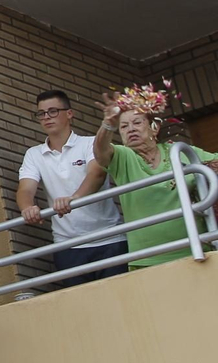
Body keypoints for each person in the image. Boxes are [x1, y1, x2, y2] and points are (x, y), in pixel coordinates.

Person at [91, 91, 218, 269]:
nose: (131, 129)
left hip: (197, 250)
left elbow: (215, 164)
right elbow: (100, 152)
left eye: (137, 123)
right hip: (147, 260)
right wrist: (108, 125)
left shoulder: (179, 150)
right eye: (124, 126)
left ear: (154, 128)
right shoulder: (124, 157)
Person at [17, 89, 126, 286]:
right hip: (68, 245)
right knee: (80, 310)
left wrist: (74, 198)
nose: (46, 117)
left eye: (53, 111)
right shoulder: (34, 154)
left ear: (69, 113)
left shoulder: (90, 143)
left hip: (109, 239)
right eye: (41, 113)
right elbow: (25, 188)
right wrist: (27, 208)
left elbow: (97, 174)